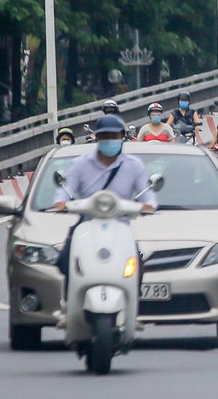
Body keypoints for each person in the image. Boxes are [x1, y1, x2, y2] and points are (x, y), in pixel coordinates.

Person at [51, 114, 157, 287]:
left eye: (114, 137)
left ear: (122, 137)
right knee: (65, 261)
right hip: (87, 224)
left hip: (121, 226)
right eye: (105, 136)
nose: (110, 141)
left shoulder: (134, 165)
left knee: (137, 266)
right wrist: (61, 203)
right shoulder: (80, 164)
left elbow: (148, 196)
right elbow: (65, 191)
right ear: (97, 138)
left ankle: (133, 302)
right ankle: (70, 302)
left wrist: (148, 206)